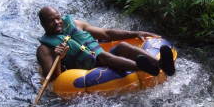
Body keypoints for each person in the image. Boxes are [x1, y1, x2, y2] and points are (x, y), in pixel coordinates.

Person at [36, 6, 175, 80]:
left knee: (122, 46)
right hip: (86, 70)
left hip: (101, 58)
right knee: (102, 56)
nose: (56, 22)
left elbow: (106, 34)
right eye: (51, 21)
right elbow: (54, 79)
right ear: (43, 24)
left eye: (57, 18)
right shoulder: (44, 49)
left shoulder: (76, 24)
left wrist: (136, 33)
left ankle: (160, 64)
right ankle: (143, 68)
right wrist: (59, 58)